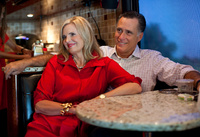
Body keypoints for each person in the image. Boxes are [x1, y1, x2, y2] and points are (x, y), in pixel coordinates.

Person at [4, 11, 200, 92]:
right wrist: (24, 62)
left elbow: (181, 72)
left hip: (138, 120)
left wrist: (198, 82)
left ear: (140, 37)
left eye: (129, 33)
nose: (121, 36)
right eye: (119, 30)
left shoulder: (152, 58)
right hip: (101, 120)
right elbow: (59, 57)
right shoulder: (101, 53)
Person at [24, 16, 142, 137]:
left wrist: (100, 98)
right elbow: (39, 105)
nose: (67, 40)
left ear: (86, 35)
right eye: (64, 37)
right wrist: (72, 109)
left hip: (85, 127)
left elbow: (135, 86)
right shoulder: (55, 63)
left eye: (72, 34)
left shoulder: (104, 64)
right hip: (49, 125)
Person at [0, 1, 32, 137]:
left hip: (2, 70)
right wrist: (21, 57)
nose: (1, 18)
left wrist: (24, 50)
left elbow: (13, 46)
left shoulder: (1, 31)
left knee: (3, 106)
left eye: (2, 15)